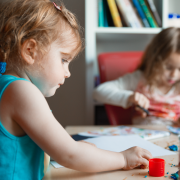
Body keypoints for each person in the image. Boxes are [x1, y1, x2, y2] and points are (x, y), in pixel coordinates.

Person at [0, 0, 152, 179]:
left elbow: (60, 146)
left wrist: (83, 150)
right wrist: (123, 159)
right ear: (30, 50)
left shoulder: (10, 87)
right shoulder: (21, 91)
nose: (68, 73)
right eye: (64, 60)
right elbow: (69, 154)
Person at [94, 27, 180, 126]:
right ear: (154, 60)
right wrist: (130, 97)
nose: (174, 75)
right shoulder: (139, 79)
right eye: (168, 67)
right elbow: (98, 92)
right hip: (143, 135)